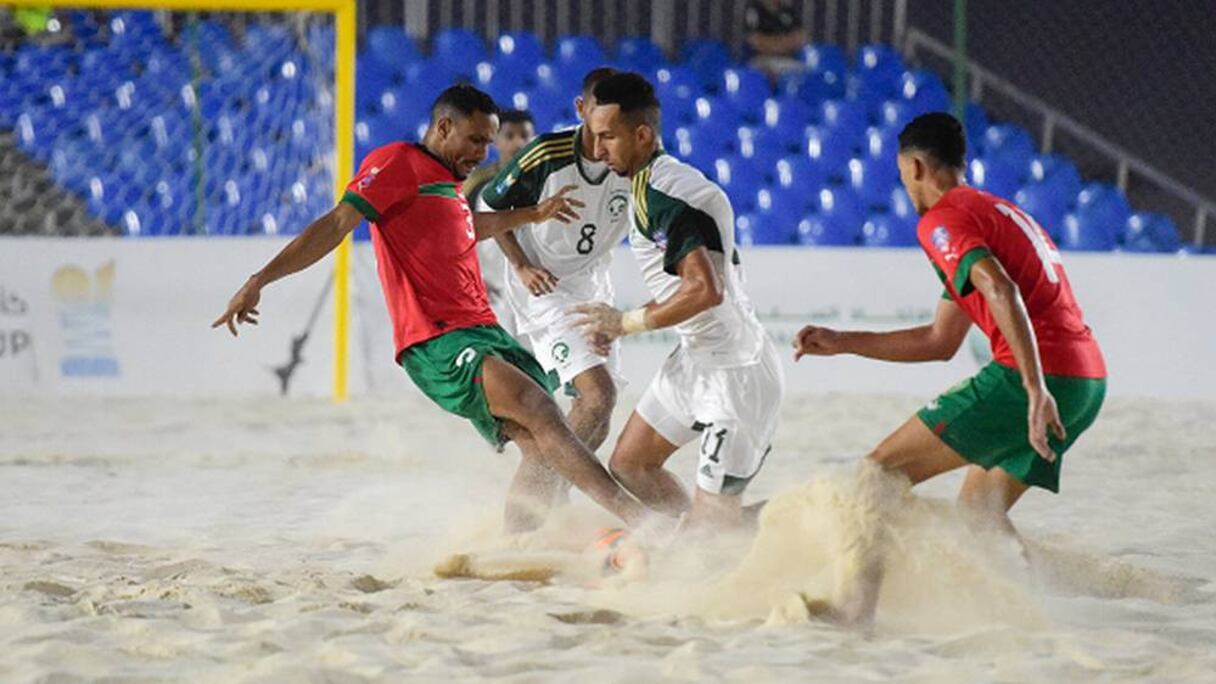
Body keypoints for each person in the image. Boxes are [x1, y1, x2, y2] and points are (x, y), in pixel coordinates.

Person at [212, 84, 649, 534]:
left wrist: (532, 214)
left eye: (488, 141)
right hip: (438, 338)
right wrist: (259, 279)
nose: (483, 152)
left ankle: (519, 544)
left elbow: (466, 225)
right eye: (476, 140)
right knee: (544, 411)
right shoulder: (396, 162)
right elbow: (337, 224)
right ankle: (639, 520)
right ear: (444, 127)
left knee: (540, 446)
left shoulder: (448, 182)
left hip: (484, 330)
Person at [793, 112, 1107, 625]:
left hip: (1037, 380)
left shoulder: (942, 220)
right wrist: (844, 341)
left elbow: (999, 289)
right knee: (979, 516)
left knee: (876, 474)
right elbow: (940, 341)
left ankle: (855, 613)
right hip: (1085, 382)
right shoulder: (992, 213)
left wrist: (1032, 387)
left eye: (901, 176)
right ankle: (1037, 614)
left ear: (915, 166)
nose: (903, 188)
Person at [575, 72, 786, 531]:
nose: (598, 150)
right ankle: (702, 540)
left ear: (643, 134)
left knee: (714, 528)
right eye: (594, 136)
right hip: (695, 363)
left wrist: (624, 322)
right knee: (631, 465)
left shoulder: (667, 194)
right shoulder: (651, 181)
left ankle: (800, 519)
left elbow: (705, 290)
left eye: (608, 137)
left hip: (736, 376)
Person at [479, 67, 631, 462]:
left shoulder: (637, 156)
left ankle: (550, 492)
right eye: (600, 120)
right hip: (541, 285)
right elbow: (488, 211)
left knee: (599, 409)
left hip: (594, 285)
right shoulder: (546, 154)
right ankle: (531, 497)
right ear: (582, 109)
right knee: (593, 394)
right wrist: (522, 265)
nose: (607, 133)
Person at [463, 109, 537, 336]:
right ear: (495, 140)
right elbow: (456, 234)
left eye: (525, 135)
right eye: (510, 136)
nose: (518, 142)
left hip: (532, 287)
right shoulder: (477, 185)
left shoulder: (546, 181)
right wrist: (470, 278)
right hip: (490, 289)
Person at [744, 0, 807, 81]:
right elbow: (756, 42)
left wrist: (771, 42)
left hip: (787, 60)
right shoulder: (754, 11)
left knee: (804, 74)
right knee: (767, 74)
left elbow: (800, 39)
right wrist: (785, 42)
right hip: (761, 60)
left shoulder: (788, 11)